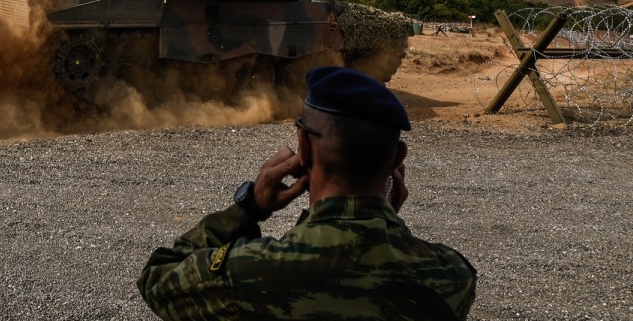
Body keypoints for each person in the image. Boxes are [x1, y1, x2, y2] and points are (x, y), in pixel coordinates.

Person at [137, 66, 477, 320]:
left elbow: (158, 278)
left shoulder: (248, 271)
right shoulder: (451, 277)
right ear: (398, 160)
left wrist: (250, 206)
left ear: (304, 149)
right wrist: (385, 221)